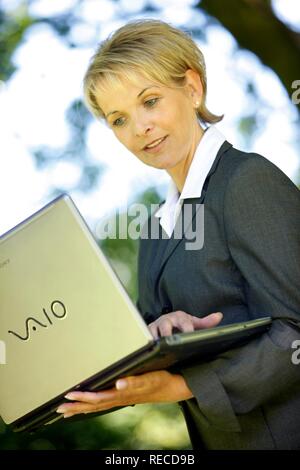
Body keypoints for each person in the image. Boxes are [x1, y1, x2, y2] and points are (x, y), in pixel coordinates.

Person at [56, 19, 300, 450]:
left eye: (150, 101)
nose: (139, 128)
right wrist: (163, 333)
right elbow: (154, 347)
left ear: (192, 88)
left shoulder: (246, 181)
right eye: (119, 119)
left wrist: (180, 386)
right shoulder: (157, 228)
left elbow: (294, 332)